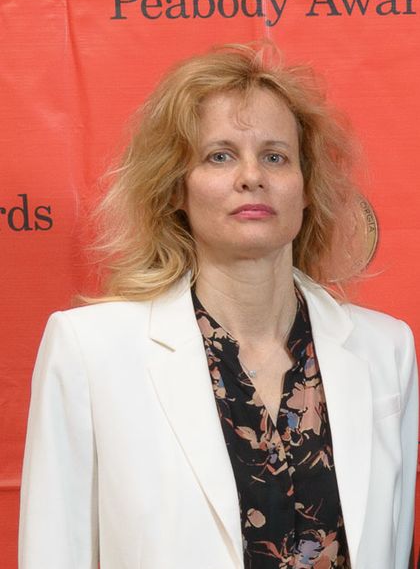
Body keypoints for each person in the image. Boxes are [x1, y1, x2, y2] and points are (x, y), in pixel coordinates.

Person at [18, 42, 418, 569]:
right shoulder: (89, 349)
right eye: (220, 155)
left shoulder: (386, 348)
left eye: (275, 156)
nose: (252, 176)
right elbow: (54, 553)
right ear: (176, 189)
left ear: (305, 189)